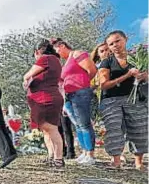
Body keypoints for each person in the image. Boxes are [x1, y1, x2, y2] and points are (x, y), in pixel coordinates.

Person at [98, 30, 148, 170]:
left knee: (139, 128)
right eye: (111, 43)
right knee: (113, 128)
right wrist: (127, 75)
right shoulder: (106, 62)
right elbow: (104, 84)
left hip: (135, 99)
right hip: (111, 100)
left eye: (118, 41)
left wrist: (144, 76)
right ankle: (116, 161)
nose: (115, 45)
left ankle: (139, 162)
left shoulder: (138, 57)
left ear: (125, 39)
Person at [51, 37, 98, 165]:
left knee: (84, 123)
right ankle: (84, 151)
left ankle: (90, 154)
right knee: (77, 124)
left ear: (62, 46)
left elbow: (92, 70)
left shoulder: (77, 54)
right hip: (68, 95)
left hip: (80, 92)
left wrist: (83, 84)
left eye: (56, 49)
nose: (56, 53)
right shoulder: (64, 64)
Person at [23, 40, 65, 167]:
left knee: (51, 128)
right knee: (46, 130)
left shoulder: (45, 59)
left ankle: (58, 159)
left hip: (46, 98)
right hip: (45, 97)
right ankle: (51, 155)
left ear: (37, 51)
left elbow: (27, 75)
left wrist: (26, 80)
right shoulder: (54, 60)